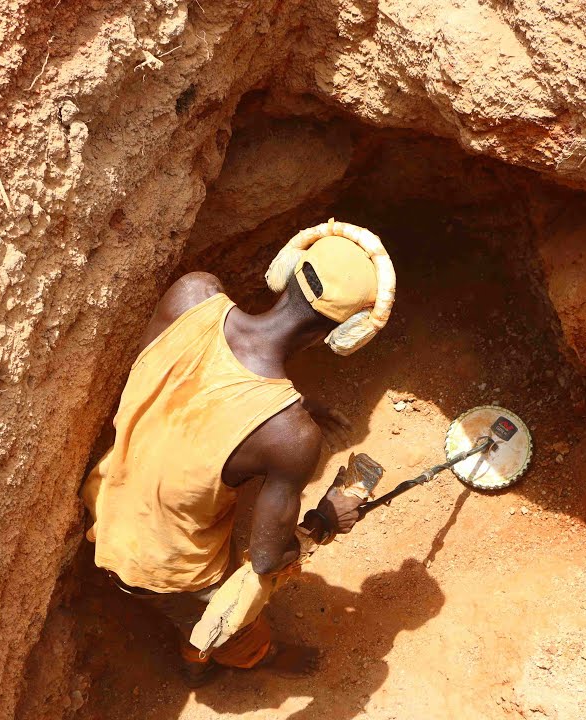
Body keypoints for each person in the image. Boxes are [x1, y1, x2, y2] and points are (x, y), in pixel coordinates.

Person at [81, 220, 395, 686]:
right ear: (345, 335)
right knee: (227, 621)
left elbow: (197, 390)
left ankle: (197, 649)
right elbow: (267, 561)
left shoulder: (192, 295)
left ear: (285, 268)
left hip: (105, 504)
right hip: (166, 565)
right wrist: (327, 519)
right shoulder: (290, 437)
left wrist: (290, 408)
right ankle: (222, 660)